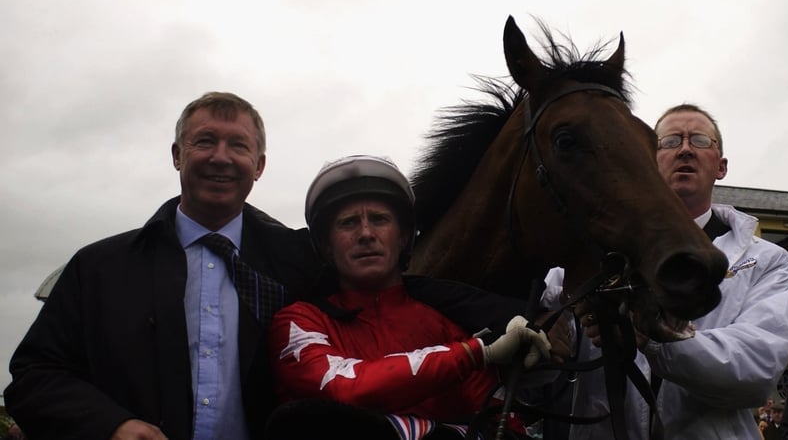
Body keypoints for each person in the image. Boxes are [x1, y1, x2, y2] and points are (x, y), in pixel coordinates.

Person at [3, 92, 321, 440]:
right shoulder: (97, 269)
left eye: (238, 146)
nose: (220, 157)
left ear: (258, 165)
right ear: (176, 155)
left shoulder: (301, 266)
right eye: (205, 141)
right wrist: (110, 425)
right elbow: (34, 375)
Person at [544, 103, 788, 439]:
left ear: (721, 167)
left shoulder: (768, 260)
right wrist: (547, 333)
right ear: (649, 162)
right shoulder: (593, 255)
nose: (686, 150)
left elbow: (757, 370)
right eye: (670, 142)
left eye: (701, 141)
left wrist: (653, 341)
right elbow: (543, 348)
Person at [266, 155, 553, 439]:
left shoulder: (448, 326)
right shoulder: (297, 322)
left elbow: (506, 430)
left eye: (379, 219)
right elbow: (344, 390)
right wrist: (476, 353)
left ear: (403, 237)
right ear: (326, 246)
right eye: (348, 223)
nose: (366, 233)